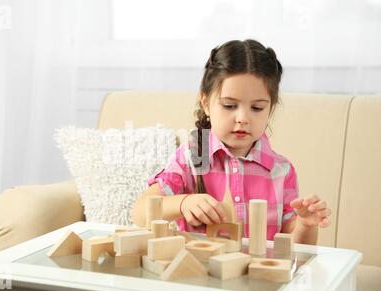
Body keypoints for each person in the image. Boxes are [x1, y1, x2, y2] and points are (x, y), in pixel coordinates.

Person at [132, 39, 331, 245]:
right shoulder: (193, 155)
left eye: (257, 108)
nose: (243, 118)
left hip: (257, 274)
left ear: (270, 108)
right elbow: (140, 212)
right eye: (229, 105)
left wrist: (306, 224)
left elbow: (297, 248)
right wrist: (184, 203)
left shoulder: (281, 170)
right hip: (200, 272)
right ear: (206, 103)